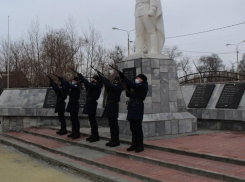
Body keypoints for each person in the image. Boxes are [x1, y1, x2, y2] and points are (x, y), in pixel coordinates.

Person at [119, 72, 148, 153]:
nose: (136, 79)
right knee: (132, 127)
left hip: (137, 106)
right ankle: (134, 144)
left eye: (138, 78)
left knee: (137, 127)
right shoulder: (136, 87)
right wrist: (124, 82)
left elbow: (134, 85)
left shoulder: (143, 85)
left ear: (142, 79)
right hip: (132, 107)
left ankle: (140, 145)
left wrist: (125, 78)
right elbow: (128, 94)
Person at [99, 75, 123, 147]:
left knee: (114, 125)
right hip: (110, 105)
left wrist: (102, 78)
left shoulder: (118, 86)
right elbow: (108, 86)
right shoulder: (114, 86)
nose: (114, 81)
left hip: (113, 106)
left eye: (115, 80)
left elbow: (108, 84)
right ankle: (112, 140)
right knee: (111, 124)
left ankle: (116, 140)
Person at [78, 74, 103, 143]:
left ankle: (96, 136)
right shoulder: (93, 85)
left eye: (94, 79)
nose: (92, 80)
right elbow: (86, 85)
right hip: (89, 102)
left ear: (97, 80)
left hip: (92, 103)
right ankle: (93, 134)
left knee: (93, 120)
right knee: (91, 120)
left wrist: (82, 77)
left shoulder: (97, 85)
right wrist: (80, 80)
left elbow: (88, 84)